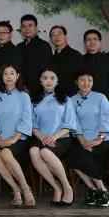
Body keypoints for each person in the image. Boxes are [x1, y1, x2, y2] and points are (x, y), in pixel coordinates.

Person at [0, 64, 36, 208]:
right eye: (5, 73)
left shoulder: (24, 96)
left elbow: (26, 119)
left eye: (12, 73)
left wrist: (14, 139)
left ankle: (25, 188)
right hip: (1, 138)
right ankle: (15, 189)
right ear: (1, 77)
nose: (8, 76)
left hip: (19, 139)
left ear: (17, 76)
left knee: (5, 152)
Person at [29, 68, 76, 207]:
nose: (48, 81)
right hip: (41, 137)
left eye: (52, 78)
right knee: (33, 151)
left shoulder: (65, 99)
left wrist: (54, 137)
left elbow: (69, 124)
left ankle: (67, 187)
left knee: (44, 152)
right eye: (45, 78)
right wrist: (42, 137)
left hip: (62, 137)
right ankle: (56, 187)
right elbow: (32, 124)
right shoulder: (34, 100)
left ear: (57, 81)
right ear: (40, 81)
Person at [69, 70, 109, 207]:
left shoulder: (100, 97)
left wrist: (98, 139)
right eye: (82, 80)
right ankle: (95, 190)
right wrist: (83, 141)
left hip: (102, 139)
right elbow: (74, 123)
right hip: (82, 139)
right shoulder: (72, 100)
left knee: (86, 155)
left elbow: (107, 119)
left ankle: (101, 191)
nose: (86, 83)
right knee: (72, 156)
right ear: (76, 82)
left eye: (89, 80)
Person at [16, 15, 52, 91]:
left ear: (36, 28)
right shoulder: (18, 47)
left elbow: (47, 71)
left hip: (39, 90)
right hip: (20, 90)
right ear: (21, 29)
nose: (27, 29)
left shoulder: (44, 46)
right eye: (24, 26)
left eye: (30, 25)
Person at [81, 29, 109, 99]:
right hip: (85, 99)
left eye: (95, 39)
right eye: (88, 39)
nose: (92, 42)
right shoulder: (79, 60)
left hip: (106, 99)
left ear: (100, 42)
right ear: (85, 43)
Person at [0, 21, 23, 93]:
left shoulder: (17, 52)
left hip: (12, 92)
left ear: (10, 34)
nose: (1, 35)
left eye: (4, 32)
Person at [49, 25, 82, 96]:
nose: (57, 37)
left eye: (59, 34)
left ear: (65, 36)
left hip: (72, 97)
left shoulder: (76, 55)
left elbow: (81, 79)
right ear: (51, 39)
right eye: (53, 35)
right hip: (55, 97)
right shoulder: (51, 58)